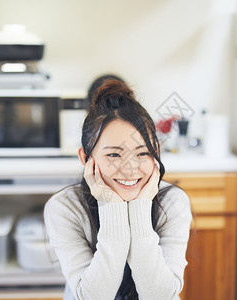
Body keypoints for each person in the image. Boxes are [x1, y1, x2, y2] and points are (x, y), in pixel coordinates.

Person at [44, 79, 192, 300]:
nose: (130, 169)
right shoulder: (64, 208)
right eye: (114, 154)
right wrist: (110, 205)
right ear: (86, 158)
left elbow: (160, 296)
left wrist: (140, 208)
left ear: (156, 154)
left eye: (143, 153)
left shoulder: (173, 202)